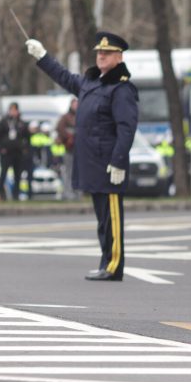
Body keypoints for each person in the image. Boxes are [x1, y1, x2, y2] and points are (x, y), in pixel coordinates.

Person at [27, 31, 138, 281]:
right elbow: (64, 77)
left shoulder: (121, 89)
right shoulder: (92, 83)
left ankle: (114, 265)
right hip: (93, 163)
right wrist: (43, 56)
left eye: (107, 53)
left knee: (112, 219)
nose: (101, 56)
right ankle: (105, 262)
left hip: (109, 164)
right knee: (102, 220)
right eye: (99, 52)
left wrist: (119, 161)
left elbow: (126, 128)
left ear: (119, 57)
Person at [0, 103, 30, 201]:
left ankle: (16, 195)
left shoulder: (21, 123)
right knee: (3, 174)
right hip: (6, 153)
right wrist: (1, 149)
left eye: (15, 110)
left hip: (17, 153)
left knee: (17, 175)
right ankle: (1, 194)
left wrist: (25, 148)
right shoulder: (3, 123)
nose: (14, 112)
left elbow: (27, 137)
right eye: (12, 110)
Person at [56, 98, 78, 200]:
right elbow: (60, 128)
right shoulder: (65, 117)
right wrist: (69, 136)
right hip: (69, 149)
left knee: (78, 172)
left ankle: (77, 192)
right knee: (68, 171)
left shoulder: (81, 116)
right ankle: (67, 192)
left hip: (79, 149)